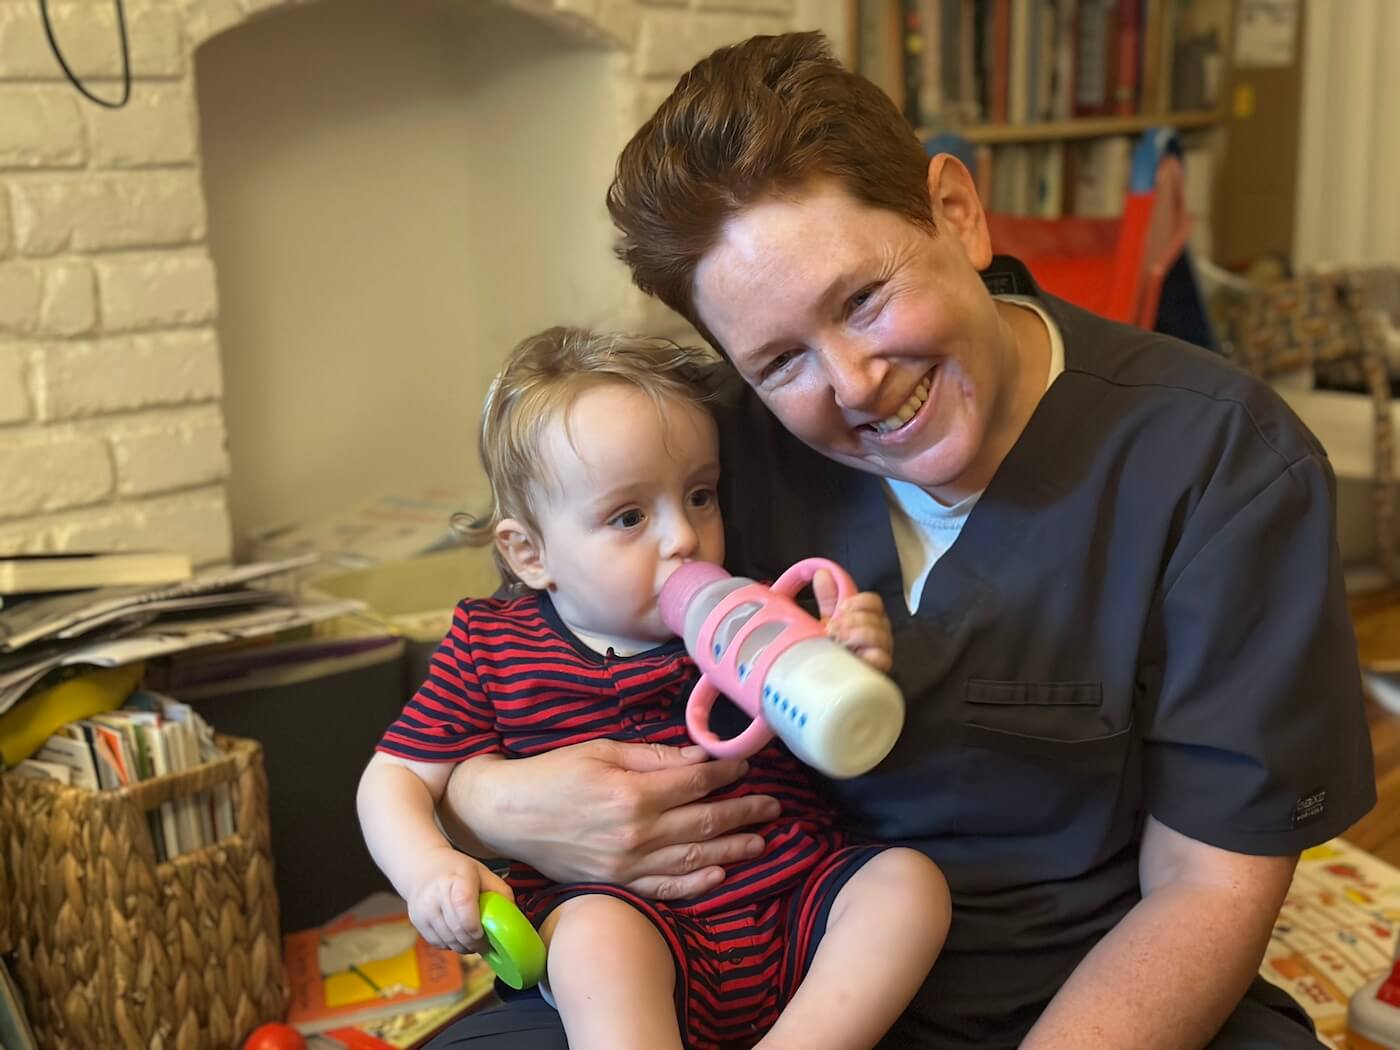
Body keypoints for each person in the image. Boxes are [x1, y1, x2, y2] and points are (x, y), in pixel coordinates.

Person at [426, 32, 1375, 1050]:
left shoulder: (1215, 460)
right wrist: (495, 803)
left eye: (863, 301)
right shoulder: (698, 464)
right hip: (740, 980)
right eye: (779, 359)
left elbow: (1203, 890)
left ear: (955, 213)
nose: (851, 383)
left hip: (1075, 992)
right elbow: (503, 691)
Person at [358, 327, 950, 1050]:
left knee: (910, 887)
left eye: (700, 496)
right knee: (596, 943)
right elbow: (392, 778)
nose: (684, 537)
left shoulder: (752, 610)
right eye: (630, 516)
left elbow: (829, 733)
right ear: (531, 553)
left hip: (796, 894)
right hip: (638, 926)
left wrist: (846, 659)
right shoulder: (492, 647)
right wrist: (430, 870)